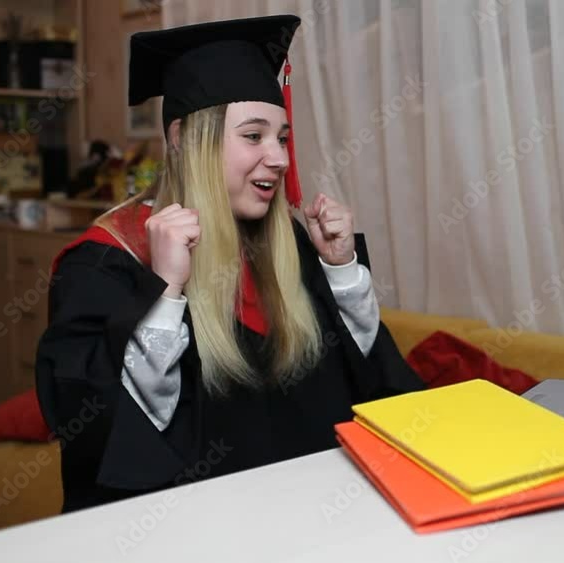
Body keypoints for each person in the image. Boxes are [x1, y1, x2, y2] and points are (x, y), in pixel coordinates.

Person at [35, 14, 425, 513]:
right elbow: (100, 438)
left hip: (319, 520)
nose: (279, 158)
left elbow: (371, 390)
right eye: (254, 136)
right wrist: (165, 292)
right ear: (182, 140)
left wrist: (341, 271)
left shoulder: (288, 247)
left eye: (281, 138)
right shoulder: (105, 264)